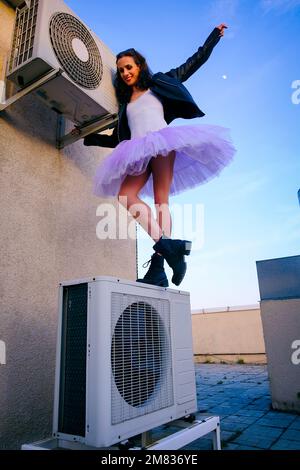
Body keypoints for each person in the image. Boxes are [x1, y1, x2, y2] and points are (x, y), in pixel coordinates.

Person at [81, 23, 235, 288]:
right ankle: (168, 247)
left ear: (139, 65)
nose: (125, 73)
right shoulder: (124, 104)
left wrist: (213, 38)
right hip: (137, 149)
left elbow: (193, 63)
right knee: (125, 195)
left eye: (129, 67)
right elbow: (119, 138)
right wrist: (88, 136)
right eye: (121, 70)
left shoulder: (159, 83)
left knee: (161, 201)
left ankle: (158, 266)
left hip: (163, 143)